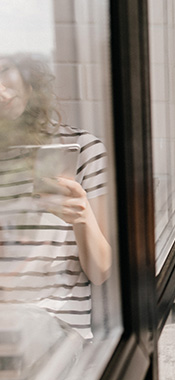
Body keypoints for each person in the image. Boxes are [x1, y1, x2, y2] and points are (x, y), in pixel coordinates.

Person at [0, 53, 111, 339]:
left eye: (3, 70)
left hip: (55, 325)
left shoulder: (83, 150)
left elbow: (100, 272)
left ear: (28, 77)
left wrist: (83, 216)